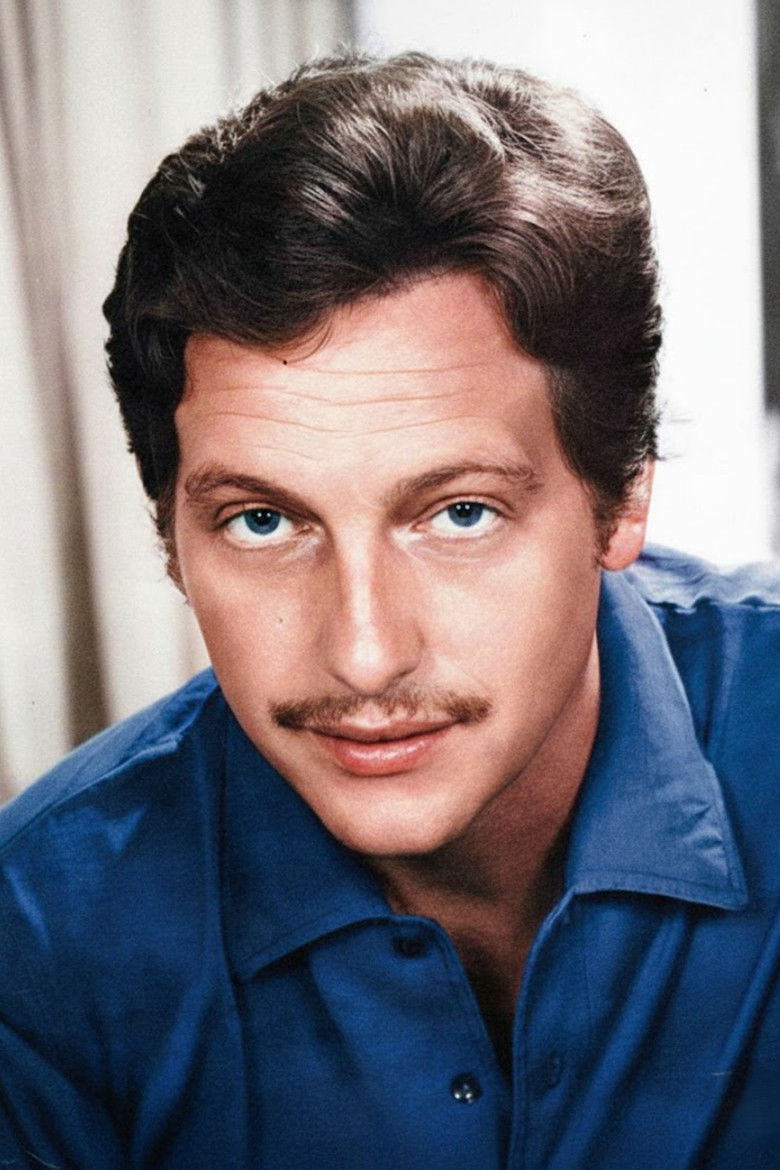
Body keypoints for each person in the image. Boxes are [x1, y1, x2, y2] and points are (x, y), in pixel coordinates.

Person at [1, 50, 778, 1170]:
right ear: (170, 535)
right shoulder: (36, 934)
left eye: (459, 514)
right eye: (263, 522)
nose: (363, 656)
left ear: (622, 502)